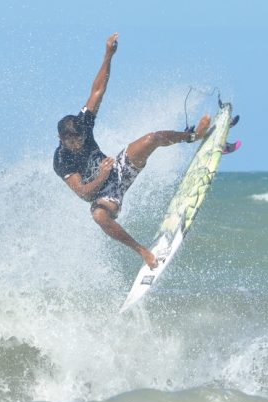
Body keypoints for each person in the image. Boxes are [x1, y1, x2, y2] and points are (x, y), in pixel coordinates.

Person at [53, 33, 211, 269]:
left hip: (118, 168)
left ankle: (193, 136)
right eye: (72, 142)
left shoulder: (82, 123)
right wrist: (101, 177)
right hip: (101, 193)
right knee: (98, 216)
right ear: (61, 139)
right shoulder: (61, 160)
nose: (78, 144)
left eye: (79, 139)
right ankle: (143, 252)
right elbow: (83, 193)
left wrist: (108, 54)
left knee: (153, 138)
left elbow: (98, 90)